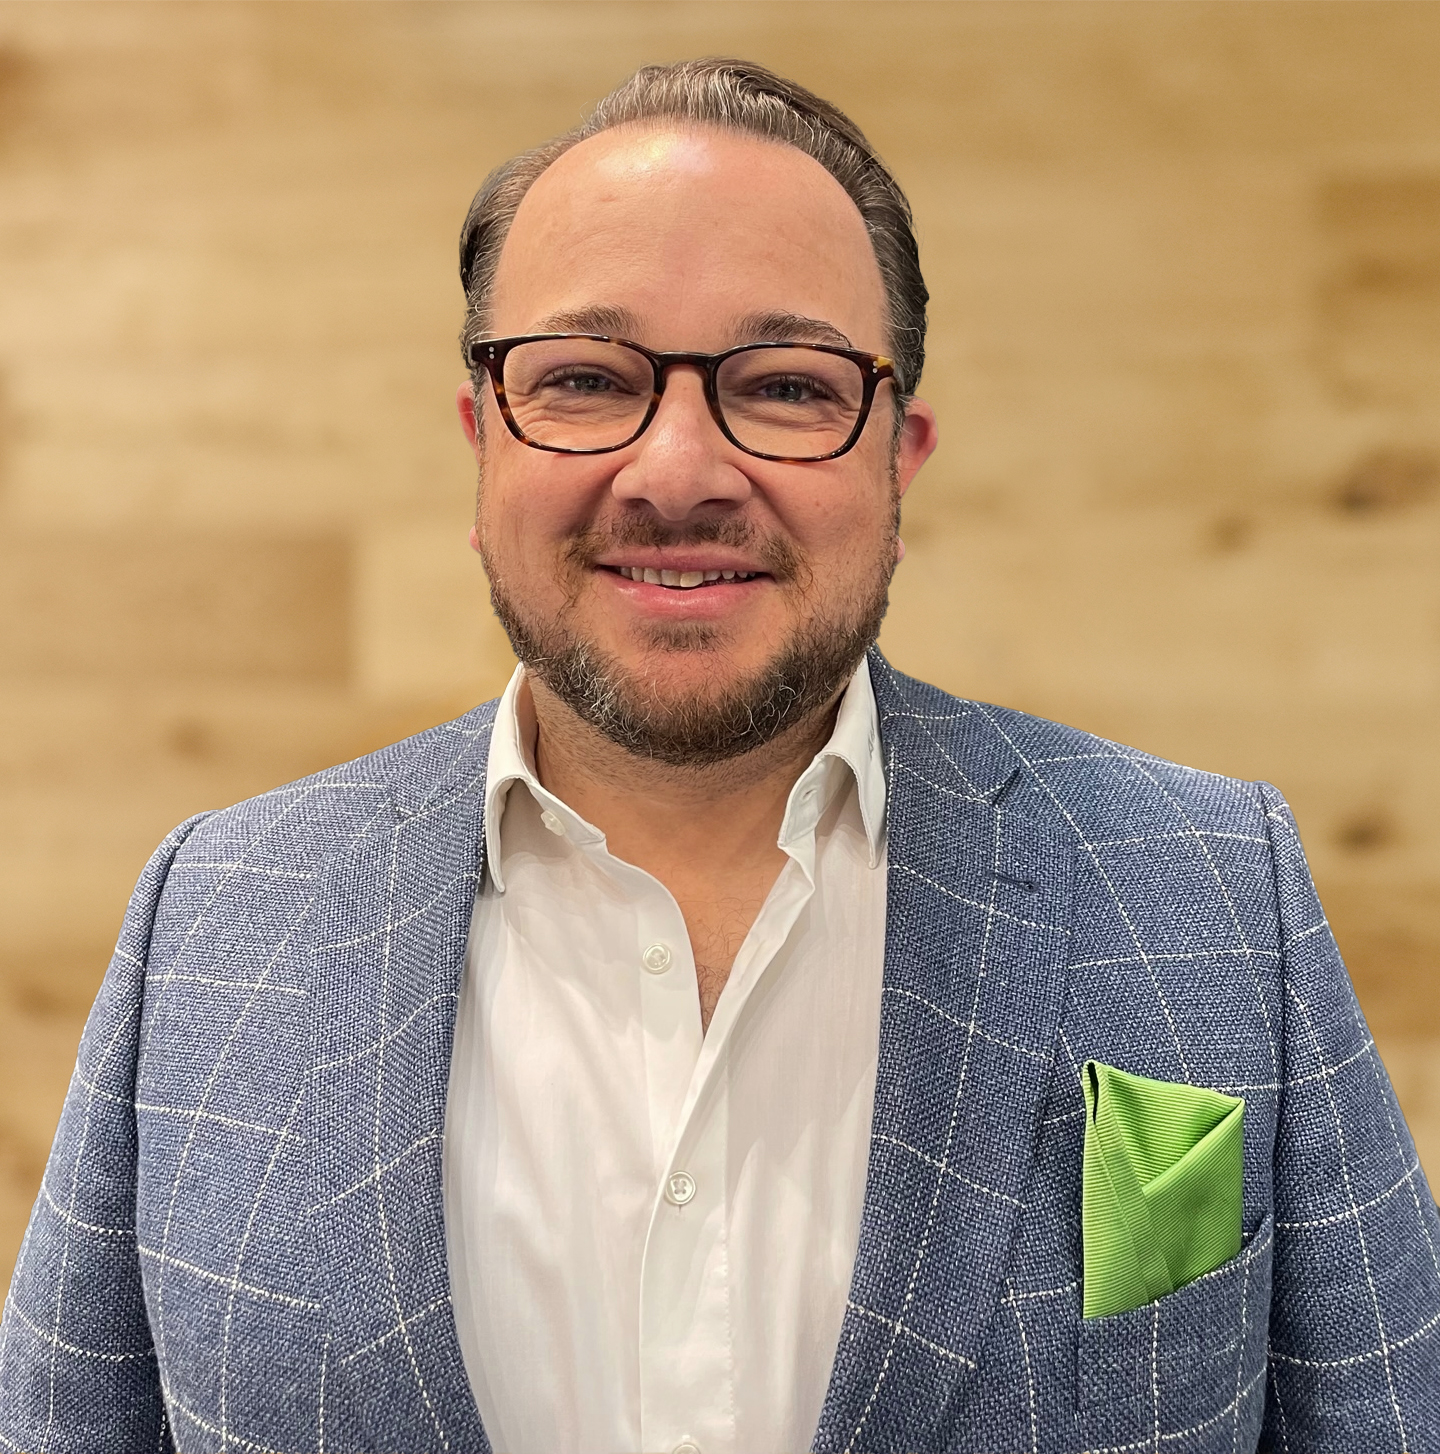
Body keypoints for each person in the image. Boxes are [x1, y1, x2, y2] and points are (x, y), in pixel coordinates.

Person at [1, 57, 1436, 1454]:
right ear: (483, 445)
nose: (679, 470)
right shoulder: (215, 917)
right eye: (582, 378)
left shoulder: (1215, 894)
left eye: (788, 386)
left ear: (900, 457)